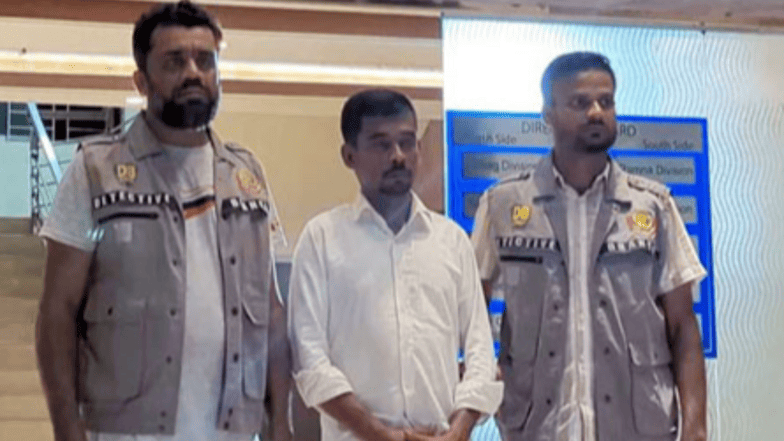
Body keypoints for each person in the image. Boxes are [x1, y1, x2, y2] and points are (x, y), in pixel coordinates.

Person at [35, 2, 291, 440]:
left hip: (232, 429)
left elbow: (270, 313)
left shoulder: (245, 176)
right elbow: (58, 310)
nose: (193, 73)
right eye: (174, 62)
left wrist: (281, 422)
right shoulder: (96, 171)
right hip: (126, 430)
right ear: (141, 81)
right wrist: (66, 426)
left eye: (205, 61)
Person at [471, 52, 707, 441]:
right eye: (580, 102)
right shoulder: (502, 205)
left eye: (606, 101)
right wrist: (481, 382)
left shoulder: (653, 205)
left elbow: (683, 326)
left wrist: (695, 429)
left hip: (638, 428)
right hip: (536, 426)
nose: (596, 112)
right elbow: (471, 312)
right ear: (548, 113)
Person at [288, 89, 502, 441]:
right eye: (381, 144)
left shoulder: (451, 241)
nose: (398, 156)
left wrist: (459, 430)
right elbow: (308, 358)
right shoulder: (322, 239)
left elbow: (481, 352)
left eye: (407, 142)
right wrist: (380, 434)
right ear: (349, 155)